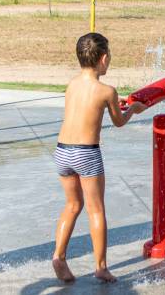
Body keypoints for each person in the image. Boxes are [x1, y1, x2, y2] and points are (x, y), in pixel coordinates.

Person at [52, 32, 147, 283]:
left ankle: (59, 257)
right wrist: (133, 110)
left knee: (72, 205)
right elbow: (118, 122)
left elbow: (83, 109)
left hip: (62, 151)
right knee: (96, 210)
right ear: (103, 59)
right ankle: (101, 267)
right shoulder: (107, 90)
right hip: (86, 153)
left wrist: (116, 103)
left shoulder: (71, 84)